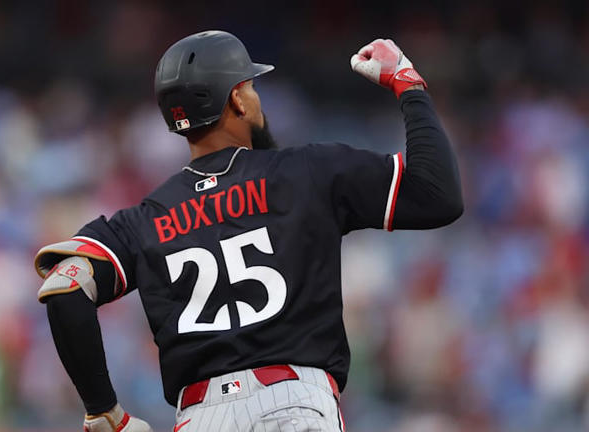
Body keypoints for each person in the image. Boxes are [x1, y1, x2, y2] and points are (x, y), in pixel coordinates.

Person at [34, 31, 463, 432]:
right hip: (293, 402)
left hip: (200, 417)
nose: (257, 100)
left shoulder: (146, 218)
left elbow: (65, 285)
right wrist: (408, 84)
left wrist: (104, 410)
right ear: (237, 100)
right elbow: (437, 193)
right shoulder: (306, 172)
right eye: (251, 88)